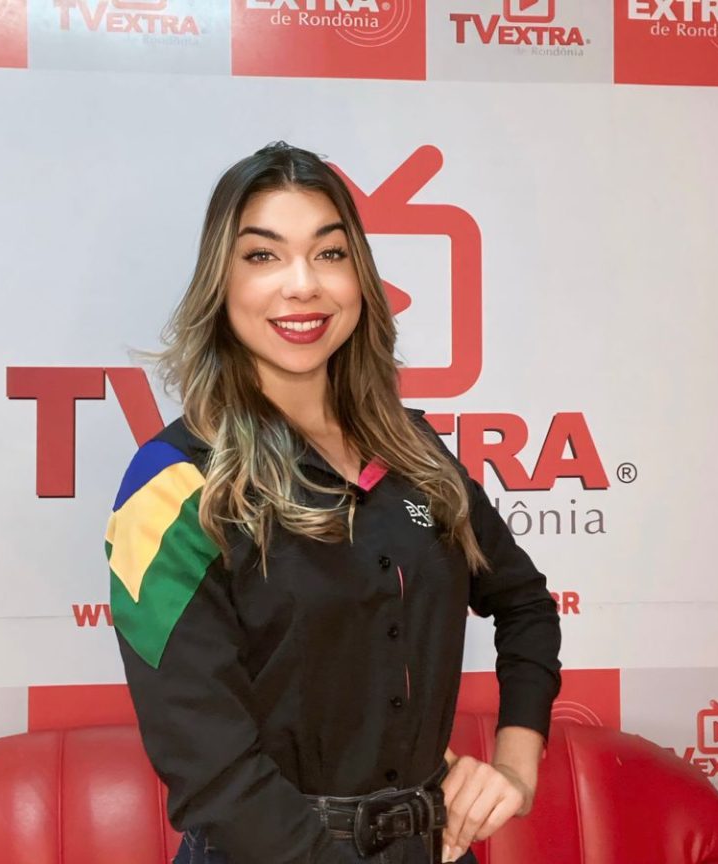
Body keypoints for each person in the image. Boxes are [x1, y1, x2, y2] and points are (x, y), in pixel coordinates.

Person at [105, 142, 563, 864]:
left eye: (329, 253)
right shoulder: (171, 484)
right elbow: (214, 775)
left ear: (360, 277)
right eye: (262, 255)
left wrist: (515, 766)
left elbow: (526, 603)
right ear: (221, 282)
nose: (303, 285)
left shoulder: (413, 448)